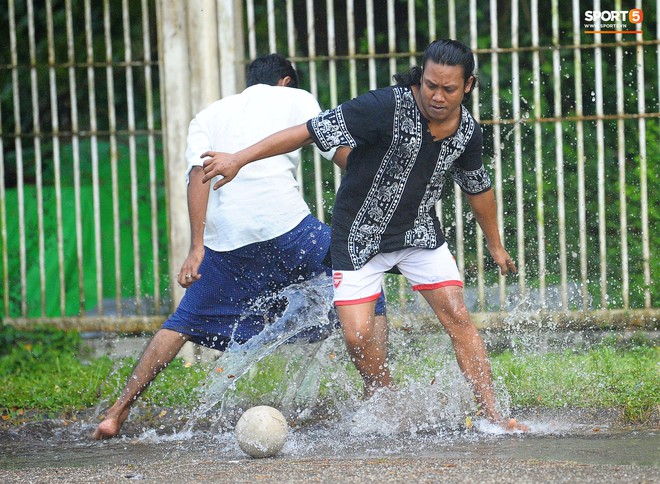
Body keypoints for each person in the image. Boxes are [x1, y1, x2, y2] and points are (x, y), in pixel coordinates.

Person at [199, 40, 528, 431]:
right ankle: (382, 396)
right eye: (430, 85)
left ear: (468, 85)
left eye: (449, 89)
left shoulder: (467, 133)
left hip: (418, 232)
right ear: (420, 78)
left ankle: (494, 415)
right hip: (359, 235)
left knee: (458, 314)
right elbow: (308, 131)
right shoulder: (383, 107)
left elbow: (478, 187)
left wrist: (494, 242)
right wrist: (237, 158)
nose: (437, 96)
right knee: (357, 336)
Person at [93, 54, 387, 440]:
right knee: (364, 284)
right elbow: (341, 155)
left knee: (182, 322)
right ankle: (380, 394)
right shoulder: (295, 97)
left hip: (226, 241)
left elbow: (198, 174)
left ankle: (116, 413)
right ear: (285, 81)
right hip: (287, 227)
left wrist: (197, 247)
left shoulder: (208, 115)